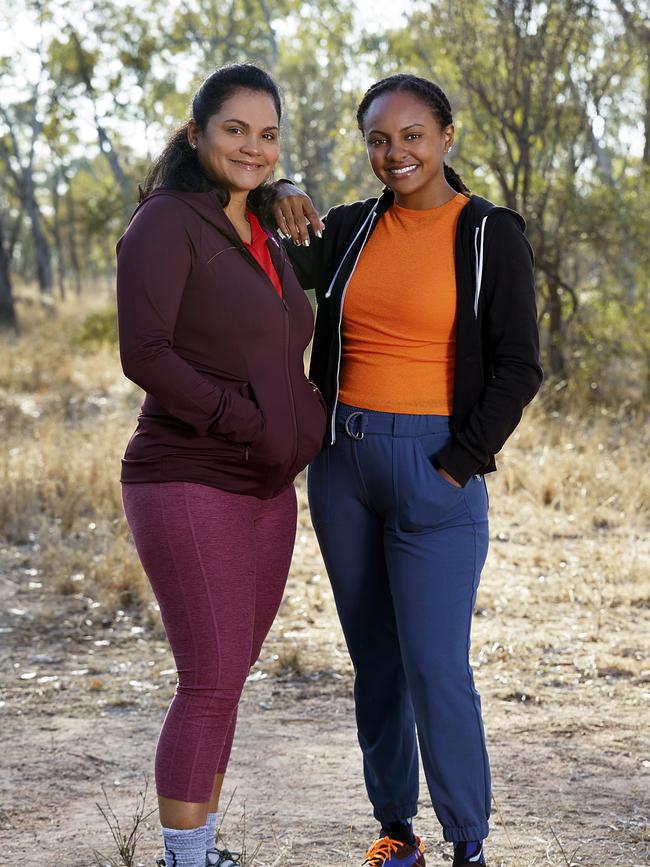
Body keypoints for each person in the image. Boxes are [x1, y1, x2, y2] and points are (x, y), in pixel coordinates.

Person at [272, 73, 543, 867]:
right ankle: (396, 829)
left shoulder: (491, 233)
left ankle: (470, 842)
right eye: (379, 140)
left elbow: (519, 366)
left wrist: (460, 462)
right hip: (343, 467)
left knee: (435, 665)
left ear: (447, 137)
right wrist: (285, 183)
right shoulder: (352, 228)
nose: (396, 154)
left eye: (413, 135)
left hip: (435, 467)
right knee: (377, 663)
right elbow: (265, 236)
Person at [116, 63, 326, 867]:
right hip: (188, 474)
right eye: (234, 129)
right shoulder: (166, 222)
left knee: (229, 673)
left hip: (267, 484)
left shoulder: (256, 224)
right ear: (197, 132)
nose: (253, 146)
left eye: (268, 134)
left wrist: (279, 191)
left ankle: (200, 849)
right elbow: (145, 352)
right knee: (207, 677)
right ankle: (184, 858)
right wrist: (242, 419)